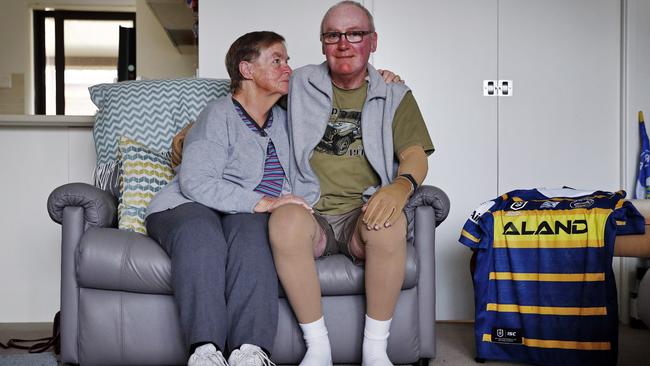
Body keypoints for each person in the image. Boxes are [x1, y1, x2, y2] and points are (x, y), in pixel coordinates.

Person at [268, 2, 434, 366]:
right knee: (284, 220)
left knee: (389, 221)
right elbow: (247, 105)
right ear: (323, 43)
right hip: (310, 211)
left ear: (372, 41)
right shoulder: (296, 84)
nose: (343, 43)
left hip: (362, 212)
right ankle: (319, 349)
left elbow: (415, 154)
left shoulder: (395, 94)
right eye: (333, 35)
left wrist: (400, 185)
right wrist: (200, 131)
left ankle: (375, 351)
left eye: (355, 34)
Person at [145, 31, 308, 366]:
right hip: (186, 205)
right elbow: (194, 180)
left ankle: (250, 351)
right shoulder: (219, 113)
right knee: (201, 234)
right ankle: (205, 352)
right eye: (277, 60)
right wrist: (263, 202)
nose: (288, 68)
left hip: (241, 215)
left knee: (254, 236)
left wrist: (381, 78)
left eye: (287, 60)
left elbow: (335, 88)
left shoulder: (287, 119)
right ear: (247, 70)